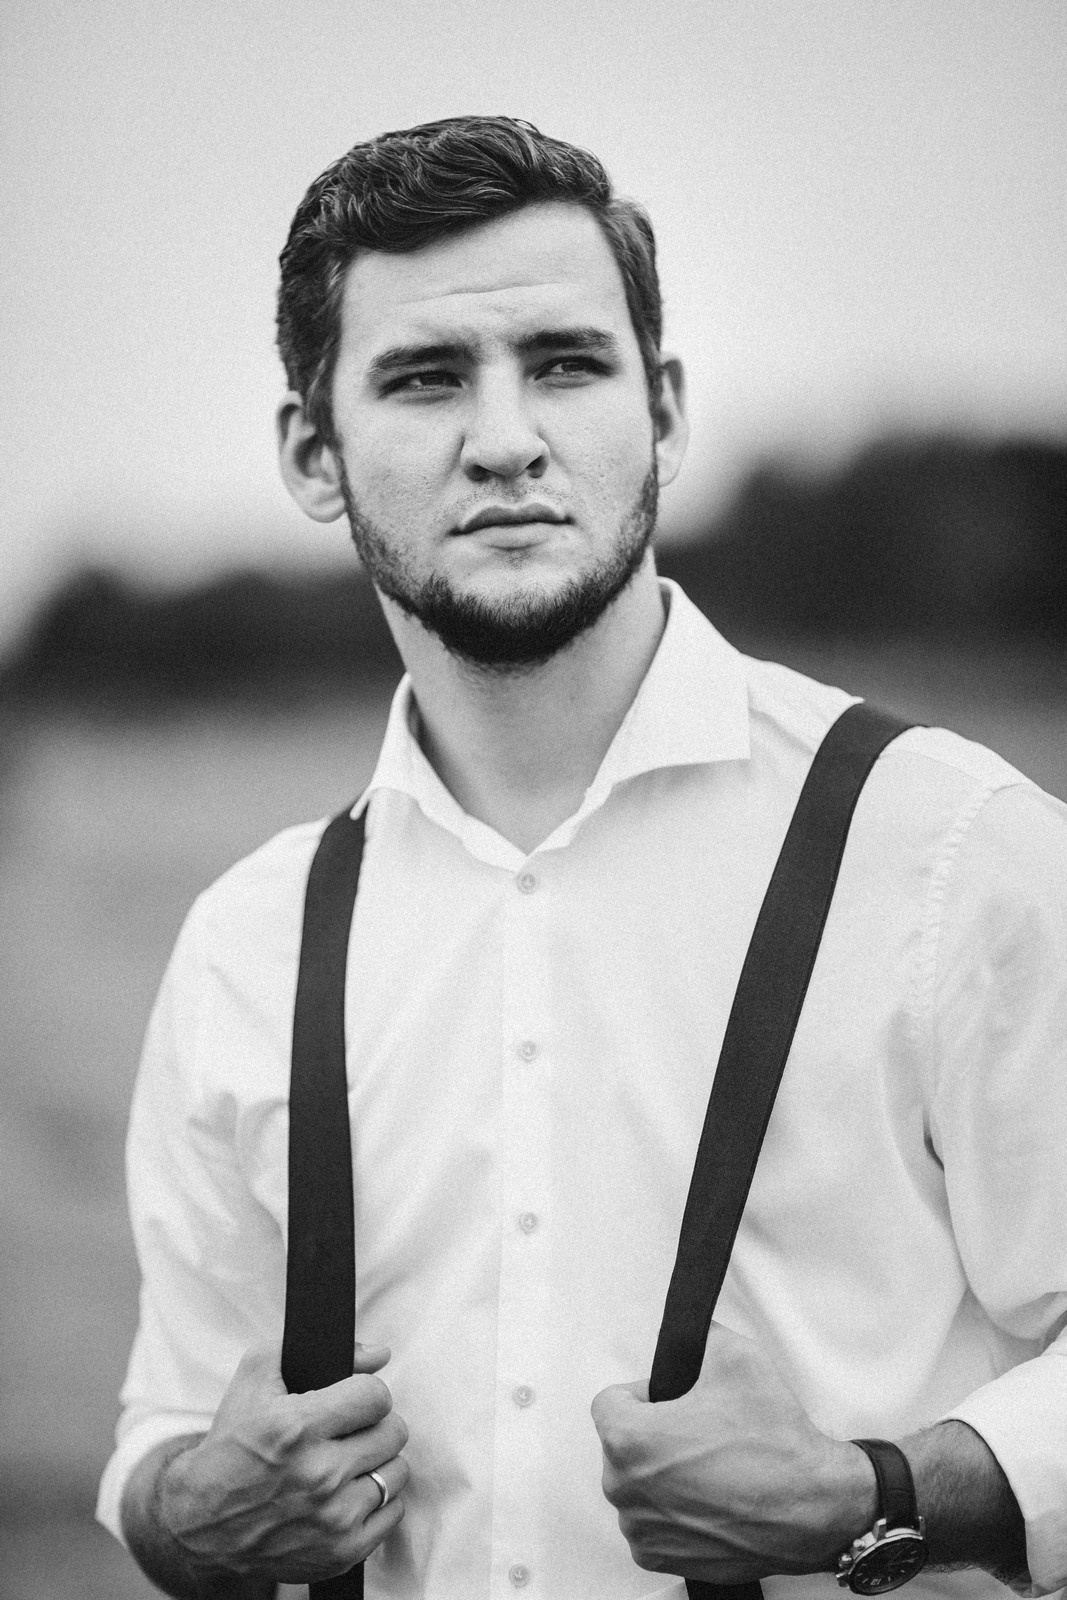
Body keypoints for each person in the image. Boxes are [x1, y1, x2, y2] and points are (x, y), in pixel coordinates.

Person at [97, 116, 1067, 1600]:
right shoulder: (249, 939)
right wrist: (189, 1512)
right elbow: (167, 1437)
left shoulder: (951, 852)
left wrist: (878, 1494)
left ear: (663, 414)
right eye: (425, 378)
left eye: (566, 362)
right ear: (313, 451)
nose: (505, 437)